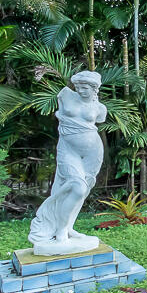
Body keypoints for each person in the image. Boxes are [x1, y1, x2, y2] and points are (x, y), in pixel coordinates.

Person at [29, 71, 107, 255]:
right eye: (78, 87)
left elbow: (99, 122)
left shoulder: (100, 108)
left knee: (83, 190)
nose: (80, 90)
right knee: (77, 187)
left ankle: (69, 227)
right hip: (68, 150)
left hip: (93, 152)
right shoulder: (65, 95)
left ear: (94, 89)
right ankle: (60, 230)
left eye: (85, 88)